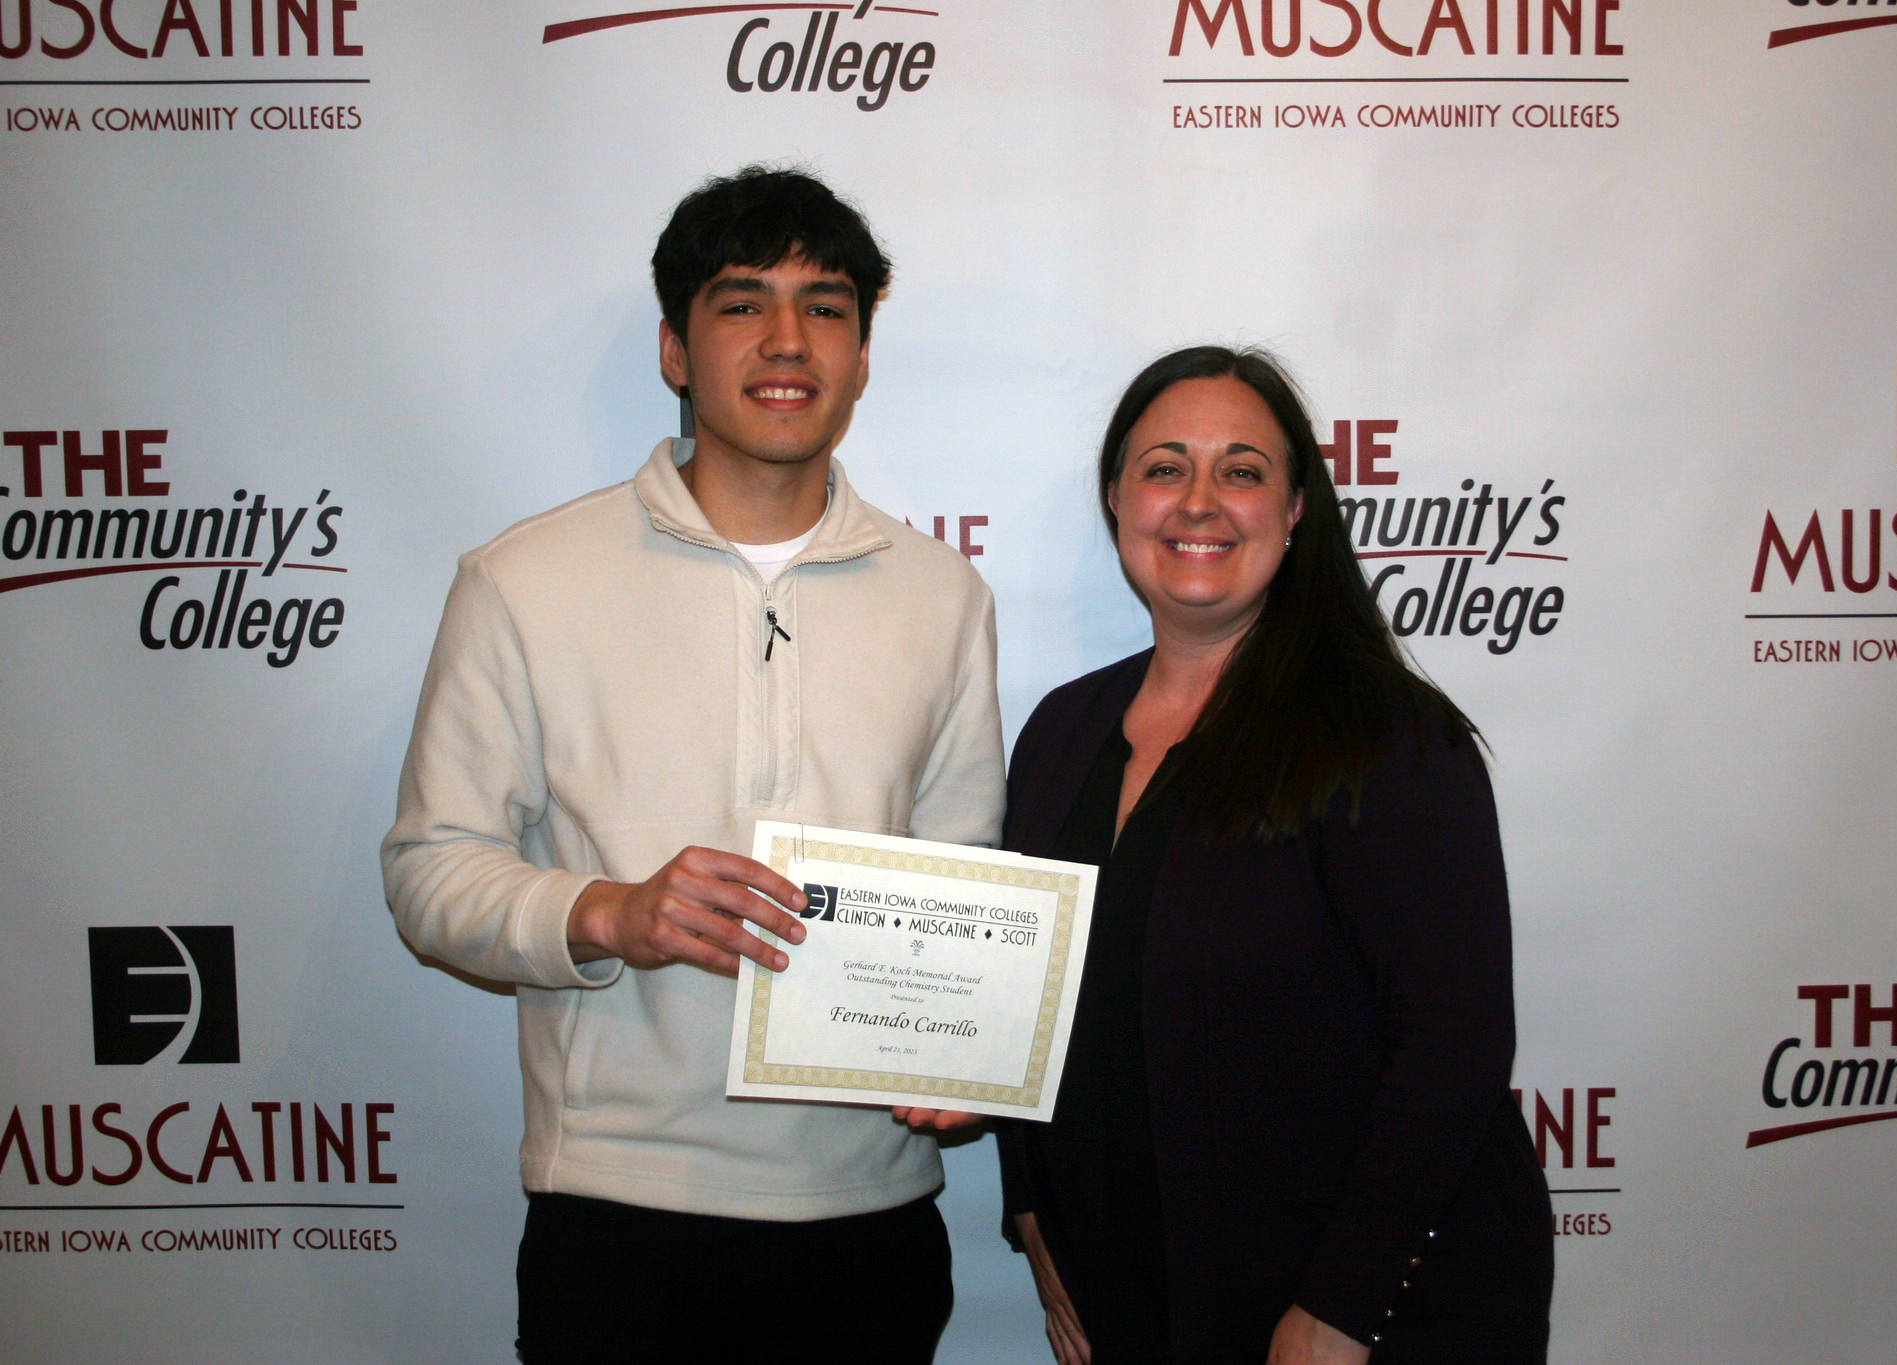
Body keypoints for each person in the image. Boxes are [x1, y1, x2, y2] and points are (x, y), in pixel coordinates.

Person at [380, 166, 1004, 1363]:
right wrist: (611, 911)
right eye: (741, 303)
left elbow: (957, 877)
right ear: (674, 348)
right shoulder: (523, 581)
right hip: (619, 1220)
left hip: (871, 1221)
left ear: (864, 353)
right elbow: (426, 872)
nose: (786, 340)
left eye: (825, 307)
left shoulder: (945, 599)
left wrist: (960, 1049)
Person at [995, 346, 1552, 1364]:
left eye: (1240, 471)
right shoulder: (1061, 734)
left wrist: (1341, 1308)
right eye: (1164, 467)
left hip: (1358, 1315)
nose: (1198, 502)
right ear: (1116, 497)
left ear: (1294, 510)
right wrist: (1031, 1211)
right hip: (1137, 1292)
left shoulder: (1383, 736)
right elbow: (1013, 997)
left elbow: (1453, 1046)